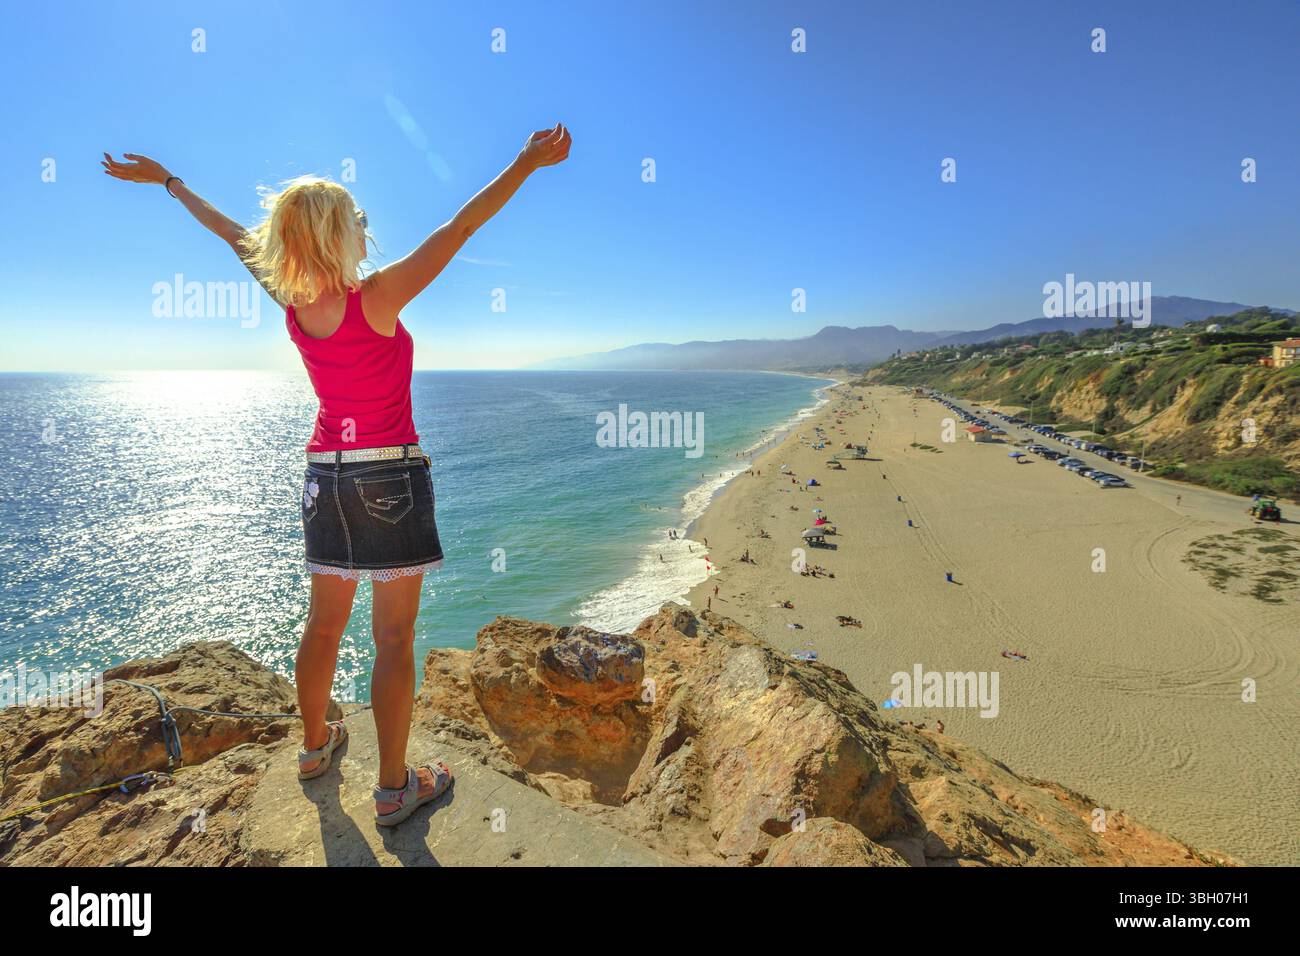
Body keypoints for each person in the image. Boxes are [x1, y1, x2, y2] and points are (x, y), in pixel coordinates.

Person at [102, 125, 572, 827]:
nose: (364, 226)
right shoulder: (376, 297)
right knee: (393, 640)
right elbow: (462, 224)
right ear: (334, 234)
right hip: (389, 478)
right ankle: (393, 789)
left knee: (322, 629)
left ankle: (316, 749)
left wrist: (170, 183)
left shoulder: (290, 301)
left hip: (325, 476)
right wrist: (526, 162)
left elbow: (232, 233)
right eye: (355, 219)